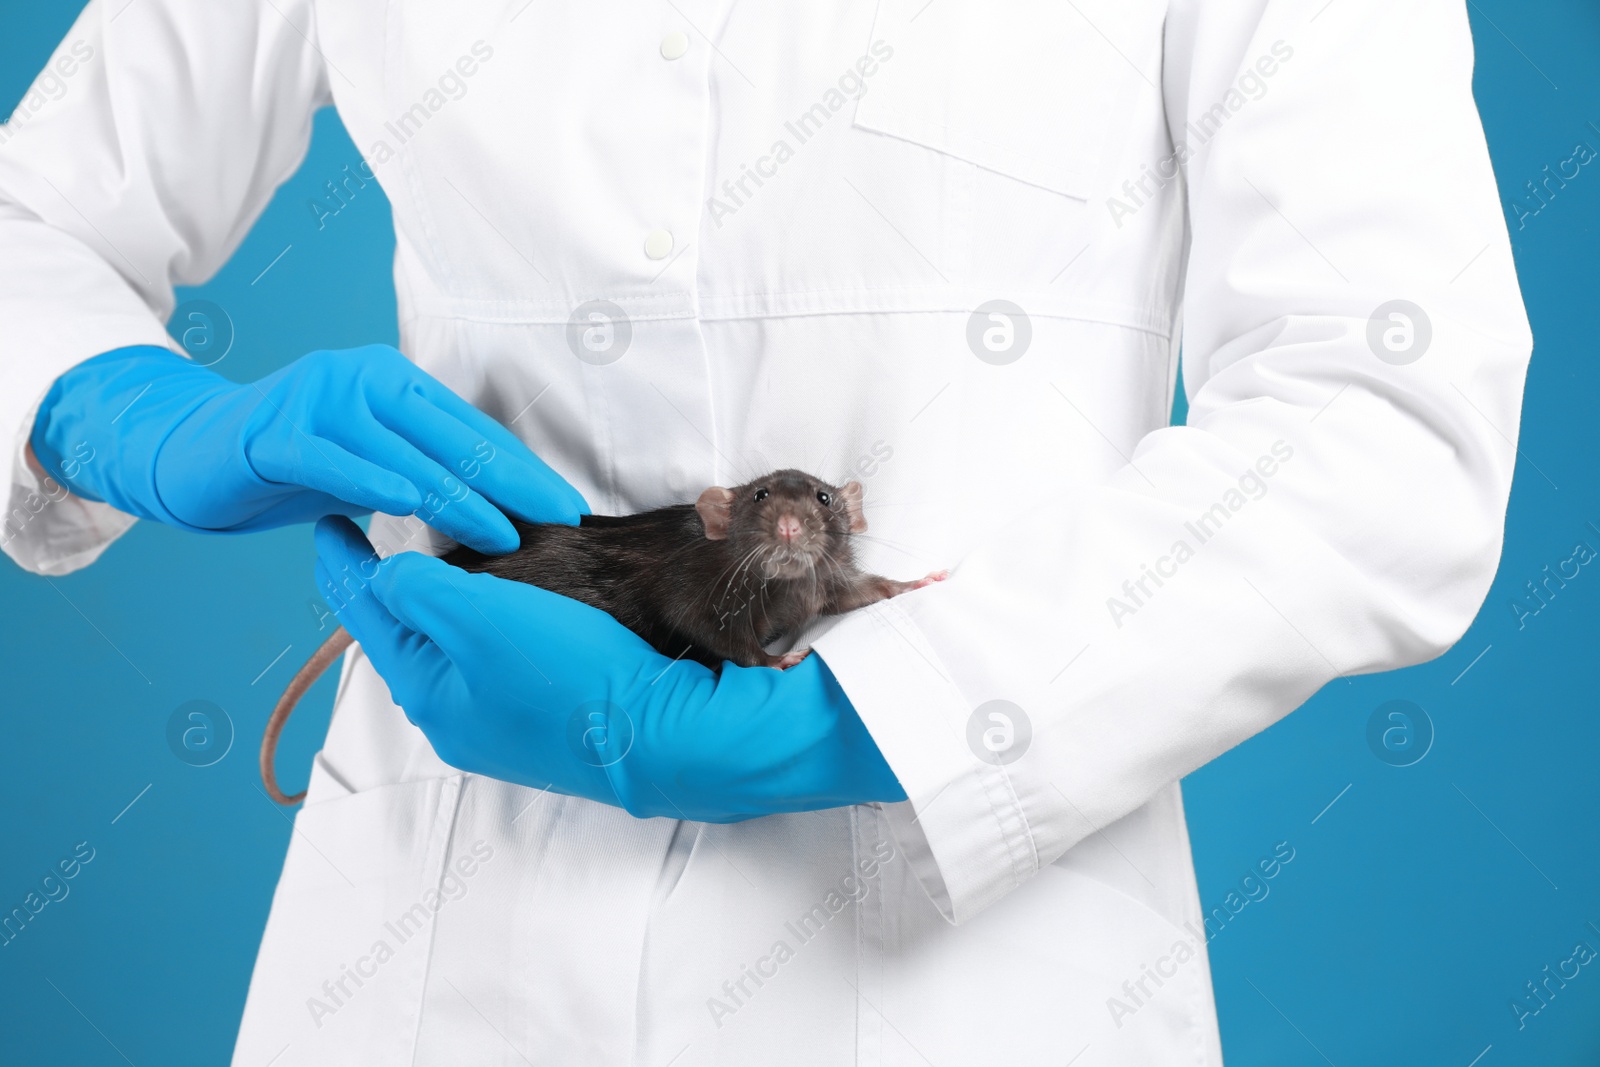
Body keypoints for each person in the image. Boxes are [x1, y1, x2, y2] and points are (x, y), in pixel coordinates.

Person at [1, 0, 1531, 1063]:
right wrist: (117, 410)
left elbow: (1386, 413)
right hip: (429, 930)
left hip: (963, 952)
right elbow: (34, 220)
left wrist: (865, 721)